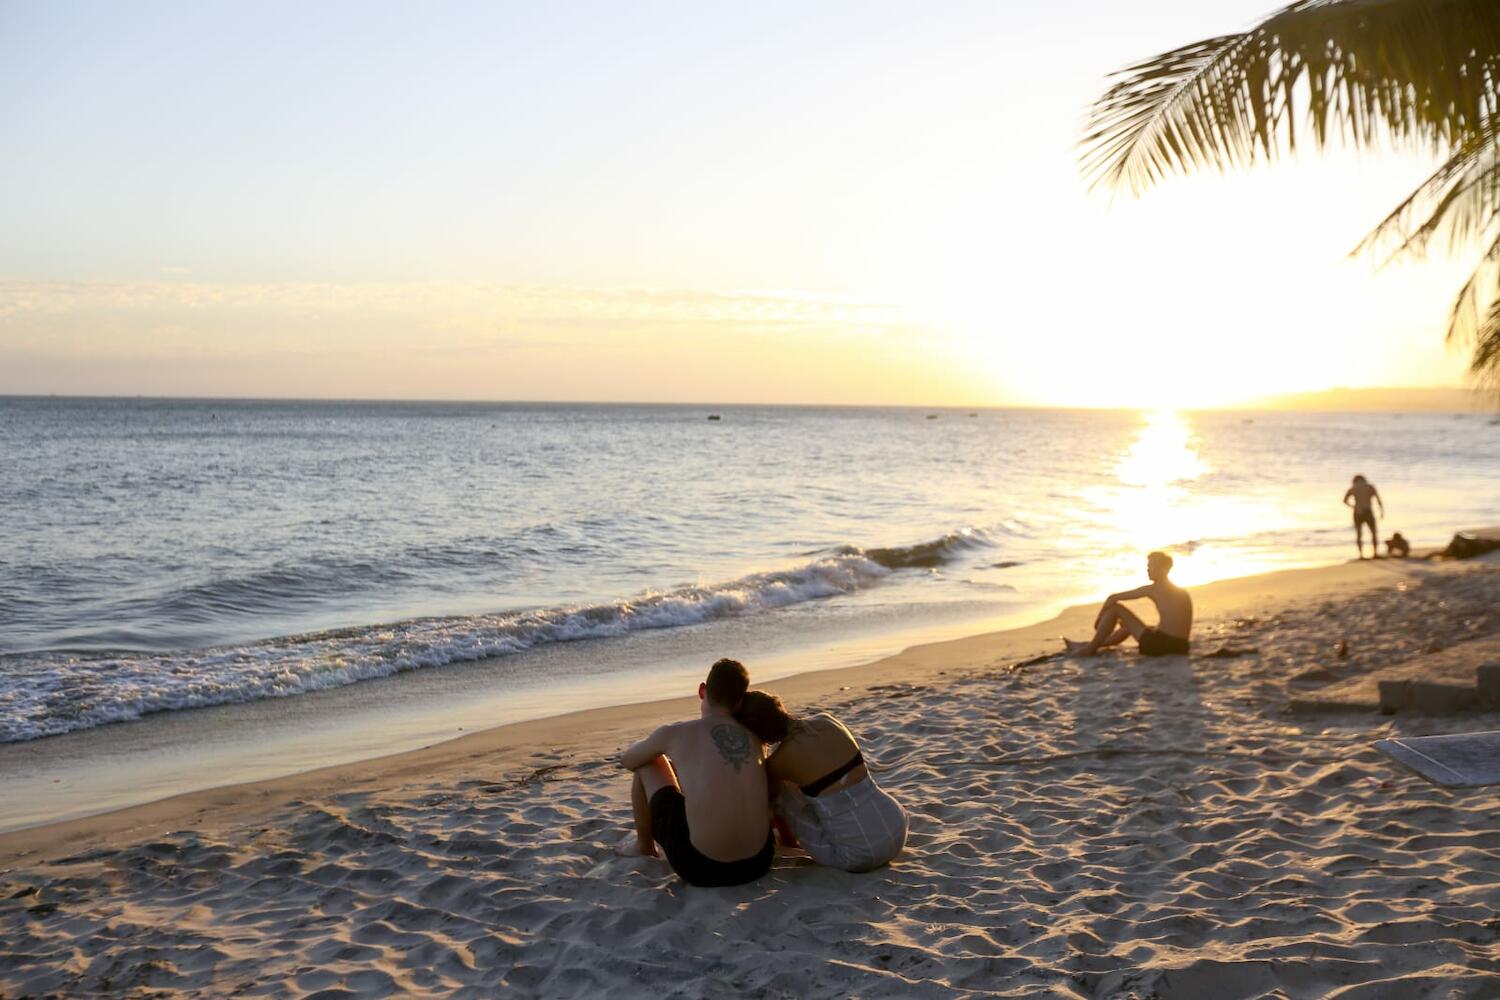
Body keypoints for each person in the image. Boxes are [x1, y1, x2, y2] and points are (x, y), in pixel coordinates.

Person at [616, 658, 775, 887]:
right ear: (740, 702)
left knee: (649, 761)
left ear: (702, 690)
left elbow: (629, 760)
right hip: (759, 862)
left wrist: (664, 750)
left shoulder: (676, 733)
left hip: (701, 867)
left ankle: (644, 846)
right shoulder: (755, 737)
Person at [734, 690, 907, 873]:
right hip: (896, 826)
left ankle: (786, 843)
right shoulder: (827, 721)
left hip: (860, 853)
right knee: (816, 785)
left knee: (781, 791)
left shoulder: (781, 760)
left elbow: (759, 789)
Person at [1063, 550, 1192, 657]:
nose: (1148, 570)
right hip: (1181, 647)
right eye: (1148, 567)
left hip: (1160, 646)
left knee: (1116, 609)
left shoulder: (1153, 589)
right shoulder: (1181, 592)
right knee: (1138, 627)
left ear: (1163, 569)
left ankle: (1090, 648)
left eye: (1151, 567)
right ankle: (1090, 644)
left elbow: (1112, 598)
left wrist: (1099, 619)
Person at [1343, 475, 1385, 559]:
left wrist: (1354, 506)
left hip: (1358, 512)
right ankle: (1375, 553)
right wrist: (1381, 511)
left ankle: (1361, 555)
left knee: (1359, 534)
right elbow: (1378, 499)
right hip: (1368, 511)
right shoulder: (1369, 487)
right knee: (1373, 532)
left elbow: (1345, 501)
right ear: (1364, 479)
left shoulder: (1353, 488)